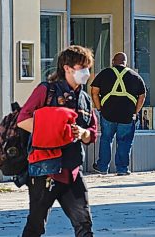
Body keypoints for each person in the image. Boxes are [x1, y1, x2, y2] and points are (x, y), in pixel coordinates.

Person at [17, 45, 98, 237]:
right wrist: (54, 132)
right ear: (67, 68)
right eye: (81, 67)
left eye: (87, 67)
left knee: (84, 224)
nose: (85, 72)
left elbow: (92, 132)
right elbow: (23, 120)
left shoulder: (84, 98)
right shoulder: (47, 91)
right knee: (36, 226)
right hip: (46, 170)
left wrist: (83, 134)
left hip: (72, 170)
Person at [91, 52, 146, 176]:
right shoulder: (135, 76)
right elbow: (142, 96)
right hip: (127, 115)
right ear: (125, 62)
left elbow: (94, 91)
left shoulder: (104, 74)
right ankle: (122, 169)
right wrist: (135, 112)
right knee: (125, 141)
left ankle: (102, 167)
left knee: (106, 139)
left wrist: (99, 108)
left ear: (113, 62)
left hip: (108, 113)